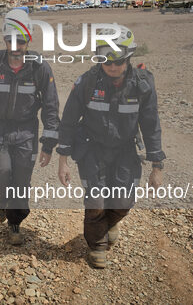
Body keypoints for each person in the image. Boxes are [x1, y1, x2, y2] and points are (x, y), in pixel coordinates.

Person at [56, 25, 165, 268]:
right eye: (106, 60)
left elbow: (151, 125)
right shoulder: (86, 82)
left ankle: (110, 223)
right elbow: (69, 122)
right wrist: (62, 161)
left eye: (118, 60)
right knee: (95, 203)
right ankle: (97, 246)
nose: (112, 66)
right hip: (91, 149)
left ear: (129, 58)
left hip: (125, 150)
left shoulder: (142, 84)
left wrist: (157, 167)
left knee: (123, 202)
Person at [0, 9, 60, 245]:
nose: (15, 45)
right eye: (11, 40)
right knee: (3, 176)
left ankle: (15, 221)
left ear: (28, 40)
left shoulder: (40, 68)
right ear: (5, 40)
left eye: (21, 40)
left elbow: (51, 107)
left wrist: (48, 144)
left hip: (26, 134)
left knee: (21, 181)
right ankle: (0, 199)